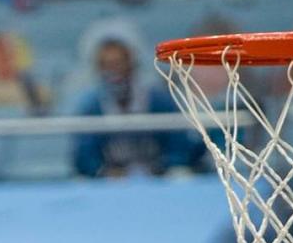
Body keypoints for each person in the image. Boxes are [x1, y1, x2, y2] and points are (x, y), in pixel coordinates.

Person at [71, 34, 204, 179]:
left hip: (159, 177)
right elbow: (84, 156)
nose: (113, 72)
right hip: (112, 181)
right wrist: (104, 171)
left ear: (130, 64)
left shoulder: (158, 100)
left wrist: (163, 167)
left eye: (118, 63)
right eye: (106, 65)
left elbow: (179, 144)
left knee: (181, 175)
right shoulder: (92, 106)